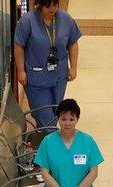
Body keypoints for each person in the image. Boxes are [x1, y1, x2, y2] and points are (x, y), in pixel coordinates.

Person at [14, 0, 82, 129]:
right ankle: (52, 146)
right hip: (36, 78)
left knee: (54, 114)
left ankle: (42, 143)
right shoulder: (27, 21)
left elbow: (73, 43)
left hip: (59, 76)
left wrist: (73, 67)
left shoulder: (65, 19)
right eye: (48, 6)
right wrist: (21, 70)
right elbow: (19, 46)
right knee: (47, 121)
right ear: (39, 5)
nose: (52, 9)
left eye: (55, 5)